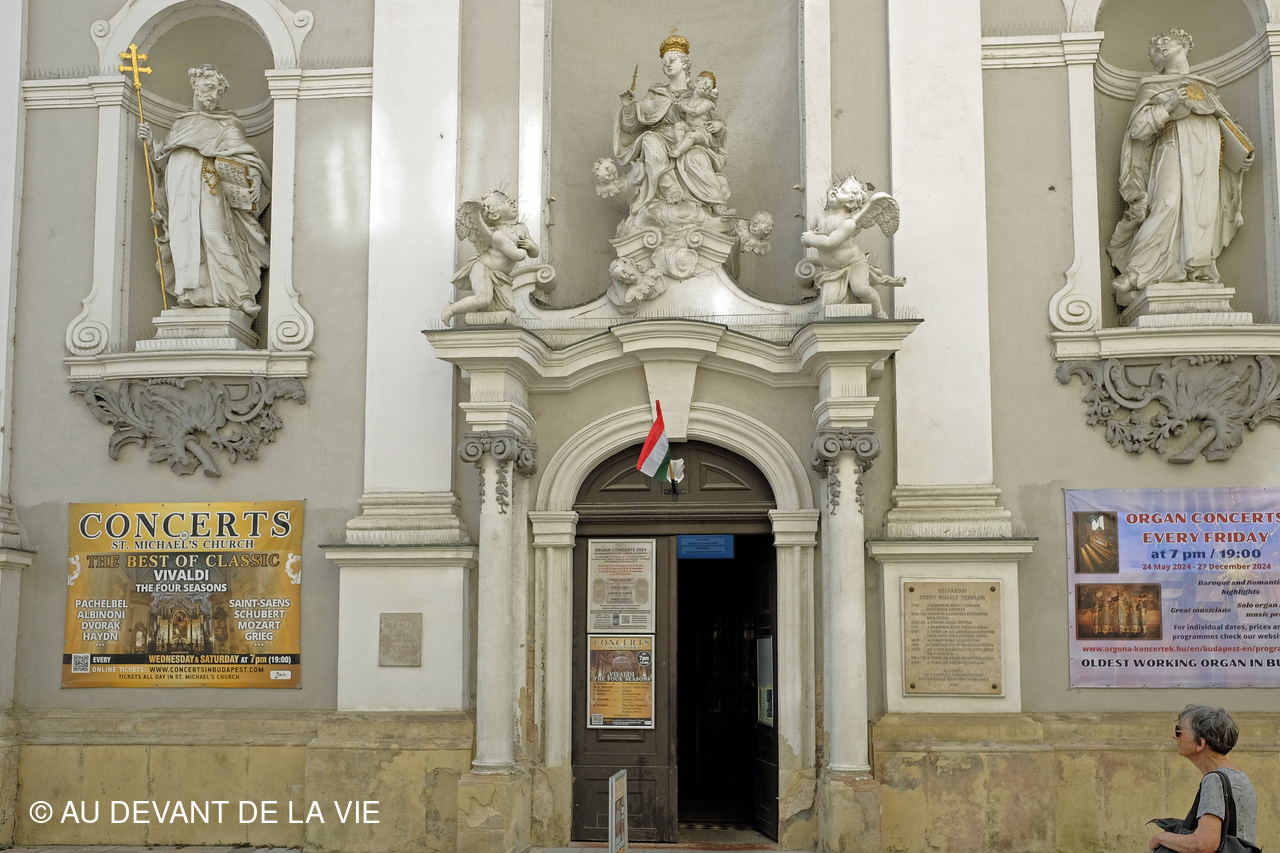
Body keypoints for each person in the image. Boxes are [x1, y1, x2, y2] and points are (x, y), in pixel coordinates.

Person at [1109, 29, 1253, 306]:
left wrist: (1239, 156)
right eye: (1154, 47)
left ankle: (1195, 269)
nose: (1160, 45)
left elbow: (1225, 125)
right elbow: (1138, 130)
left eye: (1166, 40)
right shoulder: (1150, 86)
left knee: (1203, 210)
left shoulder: (1206, 88)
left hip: (1207, 149)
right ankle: (1136, 272)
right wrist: (1168, 106)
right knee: (1168, 202)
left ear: (1185, 44)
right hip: (1172, 144)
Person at [139, 64, 271, 316]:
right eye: (209, 87)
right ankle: (192, 294)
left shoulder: (226, 124)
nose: (213, 95)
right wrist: (149, 144)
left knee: (213, 233)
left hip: (209, 185)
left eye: (218, 91)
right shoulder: (181, 124)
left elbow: (245, 157)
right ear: (195, 85)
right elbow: (161, 161)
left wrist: (253, 179)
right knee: (184, 236)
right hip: (180, 185)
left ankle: (240, 296)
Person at [614, 33, 732, 219]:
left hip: (691, 140)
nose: (667, 65)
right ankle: (671, 189)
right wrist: (628, 106)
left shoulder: (698, 94)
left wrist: (719, 126)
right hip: (661, 137)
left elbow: (711, 120)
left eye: (672, 60)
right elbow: (632, 126)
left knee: (696, 156)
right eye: (664, 63)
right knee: (650, 140)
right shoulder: (657, 93)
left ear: (684, 63)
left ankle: (714, 203)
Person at [1149, 705, 1257, 853]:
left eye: (1179, 731)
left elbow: (1204, 844)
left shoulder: (1214, 780)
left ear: (1200, 743)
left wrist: (1161, 838)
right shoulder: (1238, 775)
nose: (1174, 736)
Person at [444, 190, 539, 323]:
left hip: (501, 276)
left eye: (509, 199)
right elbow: (517, 255)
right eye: (503, 202)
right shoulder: (497, 235)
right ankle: (451, 309)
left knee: (508, 308)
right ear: (495, 215)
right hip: (484, 268)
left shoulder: (522, 228)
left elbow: (535, 253)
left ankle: (483, 313)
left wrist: (532, 246)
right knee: (483, 299)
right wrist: (525, 249)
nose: (511, 201)